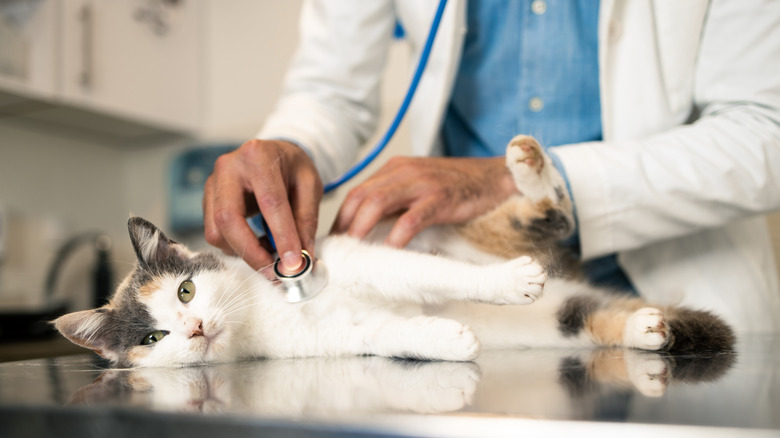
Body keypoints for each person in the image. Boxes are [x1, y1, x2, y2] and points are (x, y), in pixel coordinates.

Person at [203, 0, 780, 332]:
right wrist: (291, 144)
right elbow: (330, 89)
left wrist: (518, 182)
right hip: (467, 304)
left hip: (671, 293)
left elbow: (765, 129)